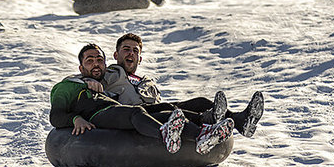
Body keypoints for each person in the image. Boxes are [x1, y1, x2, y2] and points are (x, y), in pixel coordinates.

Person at [50, 44, 235, 155]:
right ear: (81, 68)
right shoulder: (67, 86)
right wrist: (75, 118)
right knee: (136, 112)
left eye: (99, 60)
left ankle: (201, 135)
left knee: (165, 112)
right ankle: (164, 135)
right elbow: (55, 115)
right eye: (90, 61)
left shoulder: (102, 86)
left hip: (113, 110)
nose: (96, 64)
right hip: (97, 115)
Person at [101, 33, 265, 137]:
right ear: (116, 55)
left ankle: (239, 121)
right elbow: (83, 82)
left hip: (156, 115)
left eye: (135, 51)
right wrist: (89, 81)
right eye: (126, 49)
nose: (131, 53)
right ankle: (208, 120)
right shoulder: (107, 74)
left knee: (200, 102)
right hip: (132, 117)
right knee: (169, 109)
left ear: (140, 58)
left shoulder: (146, 82)